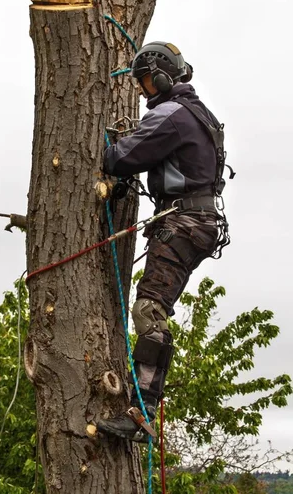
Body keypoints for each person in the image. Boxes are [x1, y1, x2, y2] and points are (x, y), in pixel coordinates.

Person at [97, 41, 232, 442]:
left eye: (144, 83)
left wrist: (112, 146)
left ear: (160, 78)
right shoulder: (195, 113)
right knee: (153, 306)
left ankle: (142, 412)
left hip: (184, 222)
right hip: (196, 221)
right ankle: (143, 408)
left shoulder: (171, 116)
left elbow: (121, 159)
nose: (141, 91)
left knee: (148, 309)